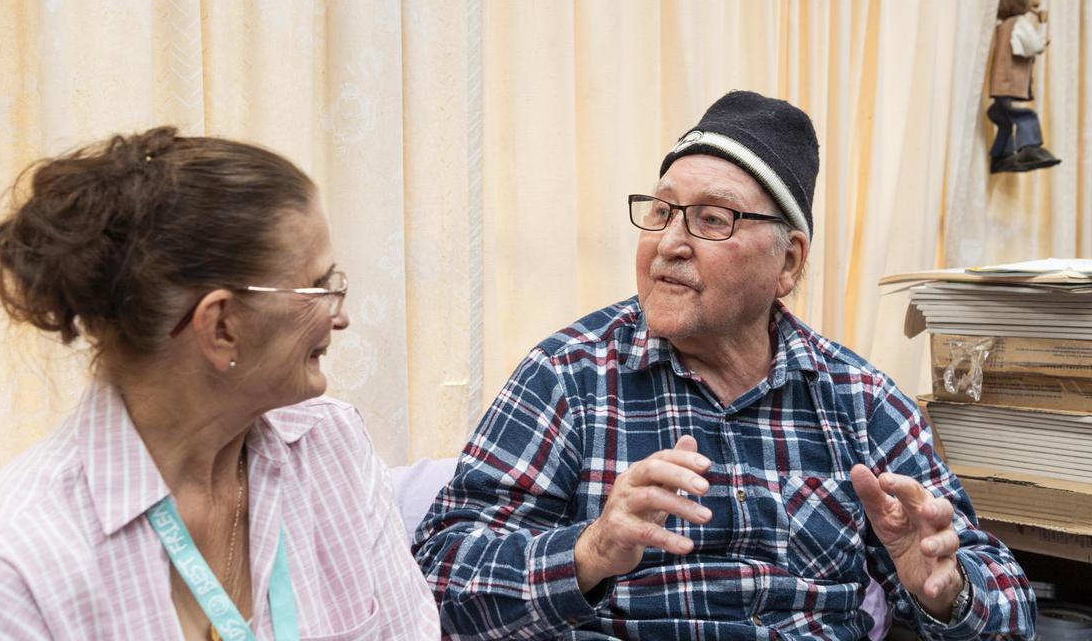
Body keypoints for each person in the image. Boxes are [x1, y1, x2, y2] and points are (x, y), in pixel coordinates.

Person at [414, 92, 1036, 639]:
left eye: (713, 219)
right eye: (660, 212)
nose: (669, 243)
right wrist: (590, 550)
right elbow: (435, 576)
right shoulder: (569, 376)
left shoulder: (861, 401)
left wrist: (949, 593)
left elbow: (1011, 605)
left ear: (787, 264)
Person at [0, 128, 439, 639]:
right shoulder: (14, 570)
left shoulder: (331, 449)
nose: (339, 316)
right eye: (318, 287)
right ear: (222, 325)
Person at [987, 0, 1060, 173]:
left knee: (1002, 117)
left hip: (999, 83)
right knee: (1024, 116)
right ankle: (1030, 146)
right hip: (1010, 82)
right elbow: (1035, 45)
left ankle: (1001, 155)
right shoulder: (1019, 23)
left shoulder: (1002, 26)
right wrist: (1043, 24)